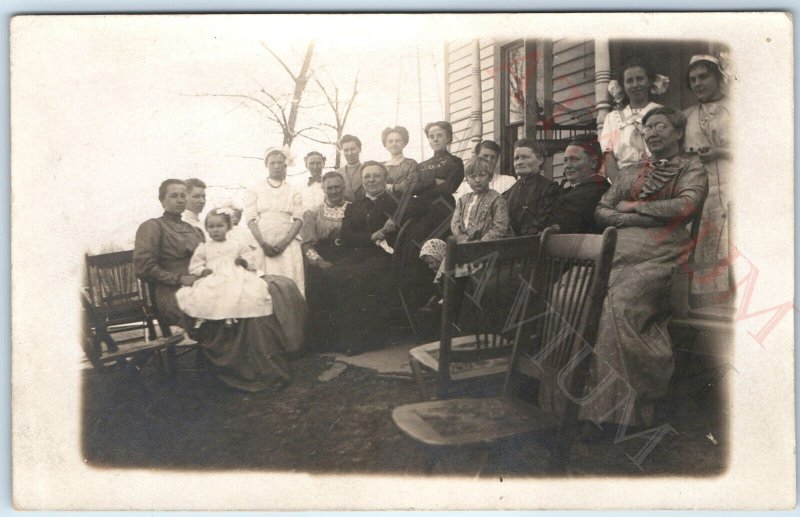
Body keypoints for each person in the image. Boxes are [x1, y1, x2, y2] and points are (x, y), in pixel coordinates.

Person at [581, 107, 707, 431]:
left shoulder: (691, 167)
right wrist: (630, 219)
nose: (651, 132)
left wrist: (636, 206)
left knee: (616, 306)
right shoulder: (630, 171)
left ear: (678, 133)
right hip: (617, 251)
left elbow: (685, 205)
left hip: (663, 255)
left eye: (659, 126)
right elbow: (601, 209)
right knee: (573, 293)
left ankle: (617, 414)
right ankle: (572, 406)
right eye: (647, 128)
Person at [135, 180, 301, 392]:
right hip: (173, 292)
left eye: (182, 196)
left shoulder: (192, 229)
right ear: (162, 200)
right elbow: (143, 267)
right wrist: (178, 279)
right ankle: (242, 371)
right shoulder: (152, 227)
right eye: (173, 196)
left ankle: (261, 365)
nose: (179, 200)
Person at [682, 54, 733, 304]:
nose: (698, 83)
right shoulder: (687, 115)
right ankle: (708, 301)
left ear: (717, 76)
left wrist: (721, 151)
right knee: (705, 238)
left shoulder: (736, 108)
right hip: (703, 188)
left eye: (704, 76)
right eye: (693, 79)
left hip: (733, 182)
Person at [336, 161, 401, 354]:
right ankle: (338, 337)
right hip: (357, 253)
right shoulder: (354, 206)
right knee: (334, 273)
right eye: (367, 176)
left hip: (383, 256)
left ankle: (367, 339)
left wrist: (395, 218)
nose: (371, 180)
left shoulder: (396, 203)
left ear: (385, 178)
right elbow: (345, 236)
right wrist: (370, 237)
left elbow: (417, 207)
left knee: (361, 277)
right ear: (362, 181)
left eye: (376, 175)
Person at [175, 209, 272, 324]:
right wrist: (202, 270)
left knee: (249, 289)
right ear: (206, 229)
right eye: (211, 226)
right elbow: (195, 265)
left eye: (220, 226)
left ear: (228, 227)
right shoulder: (204, 247)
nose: (215, 230)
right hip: (214, 275)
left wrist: (243, 262)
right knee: (208, 291)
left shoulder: (236, 244)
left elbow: (249, 257)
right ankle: (219, 316)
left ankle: (233, 315)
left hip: (235, 274)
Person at [300, 171, 352, 350]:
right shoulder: (312, 213)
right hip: (321, 258)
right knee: (319, 285)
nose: (334, 191)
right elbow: (306, 245)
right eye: (330, 187)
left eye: (337, 187)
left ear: (344, 187)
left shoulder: (354, 208)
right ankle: (320, 343)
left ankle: (345, 342)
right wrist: (320, 262)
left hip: (348, 257)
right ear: (323, 189)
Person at [244, 147, 305, 296]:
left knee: (289, 280)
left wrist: (284, 243)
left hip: (287, 241)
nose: (276, 166)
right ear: (266, 165)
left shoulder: (293, 190)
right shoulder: (255, 188)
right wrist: (263, 244)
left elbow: (298, 219)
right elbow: (250, 219)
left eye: (280, 162)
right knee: (263, 284)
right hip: (262, 240)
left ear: (285, 164)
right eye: (272, 163)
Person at [599, 57, 666, 182]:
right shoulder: (612, 118)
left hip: (656, 180)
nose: (635, 85)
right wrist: (621, 187)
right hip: (621, 182)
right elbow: (608, 157)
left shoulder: (662, 113)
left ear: (649, 81)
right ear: (623, 86)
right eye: (629, 81)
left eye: (640, 79)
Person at [549, 136, 611, 234]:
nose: (567, 166)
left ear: (593, 163)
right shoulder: (575, 189)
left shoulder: (594, 191)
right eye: (565, 161)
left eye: (574, 159)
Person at [502, 138, 562, 236]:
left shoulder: (551, 190)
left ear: (540, 160)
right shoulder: (508, 194)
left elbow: (546, 225)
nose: (519, 162)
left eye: (525, 157)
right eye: (516, 158)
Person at [451, 157, 511, 244]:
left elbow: (500, 227)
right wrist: (463, 240)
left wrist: (481, 242)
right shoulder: (462, 201)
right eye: (473, 176)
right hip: (464, 245)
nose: (477, 180)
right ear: (467, 179)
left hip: (488, 246)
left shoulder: (497, 200)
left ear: (490, 177)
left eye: (482, 175)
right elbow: (455, 224)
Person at [382, 126, 418, 191]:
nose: (394, 144)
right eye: (390, 141)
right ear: (385, 145)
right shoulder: (381, 166)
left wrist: (389, 187)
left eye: (397, 141)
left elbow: (410, 185)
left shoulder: (410, 163)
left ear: (404, 143)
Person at [336, 134, 364, 202]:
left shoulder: (367, 170)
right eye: (346, 150)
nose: (350, 153)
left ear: (359, 149)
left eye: (353, 149)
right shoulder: (337, 173)